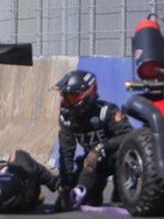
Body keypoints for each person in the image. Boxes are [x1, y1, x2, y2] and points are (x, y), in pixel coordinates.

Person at [54, 70, 134, 211]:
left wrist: (100, 147)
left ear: (89, 93)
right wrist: (66, 186)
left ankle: (121, 194)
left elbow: (129, 135)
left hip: (114, 161)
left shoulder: (107, 111)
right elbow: (66, 151)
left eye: (72, 97)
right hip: (92, 164)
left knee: (120, 202)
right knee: (80, 200)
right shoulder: (66, 117)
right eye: (64, 97)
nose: (67, 103)